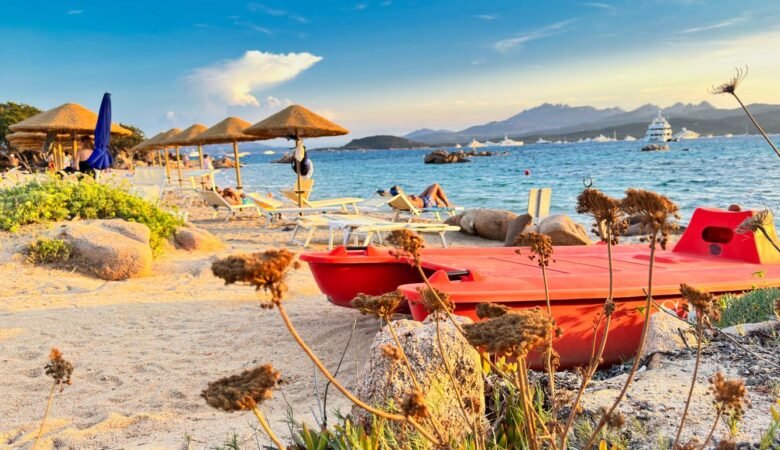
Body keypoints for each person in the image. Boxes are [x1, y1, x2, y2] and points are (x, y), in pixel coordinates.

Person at [381, 183, 453, 209]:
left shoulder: (398, 200)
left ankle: (439, 203)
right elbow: (413, 203)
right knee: (435, 185)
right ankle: (448, 204)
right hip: (426, 202)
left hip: (422, 199)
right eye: (399, 189)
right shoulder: (402, 198)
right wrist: (413, 197)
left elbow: (410, 201)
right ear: (399, 192)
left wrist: (412, 196)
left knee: (430, 187)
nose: (401, 189)